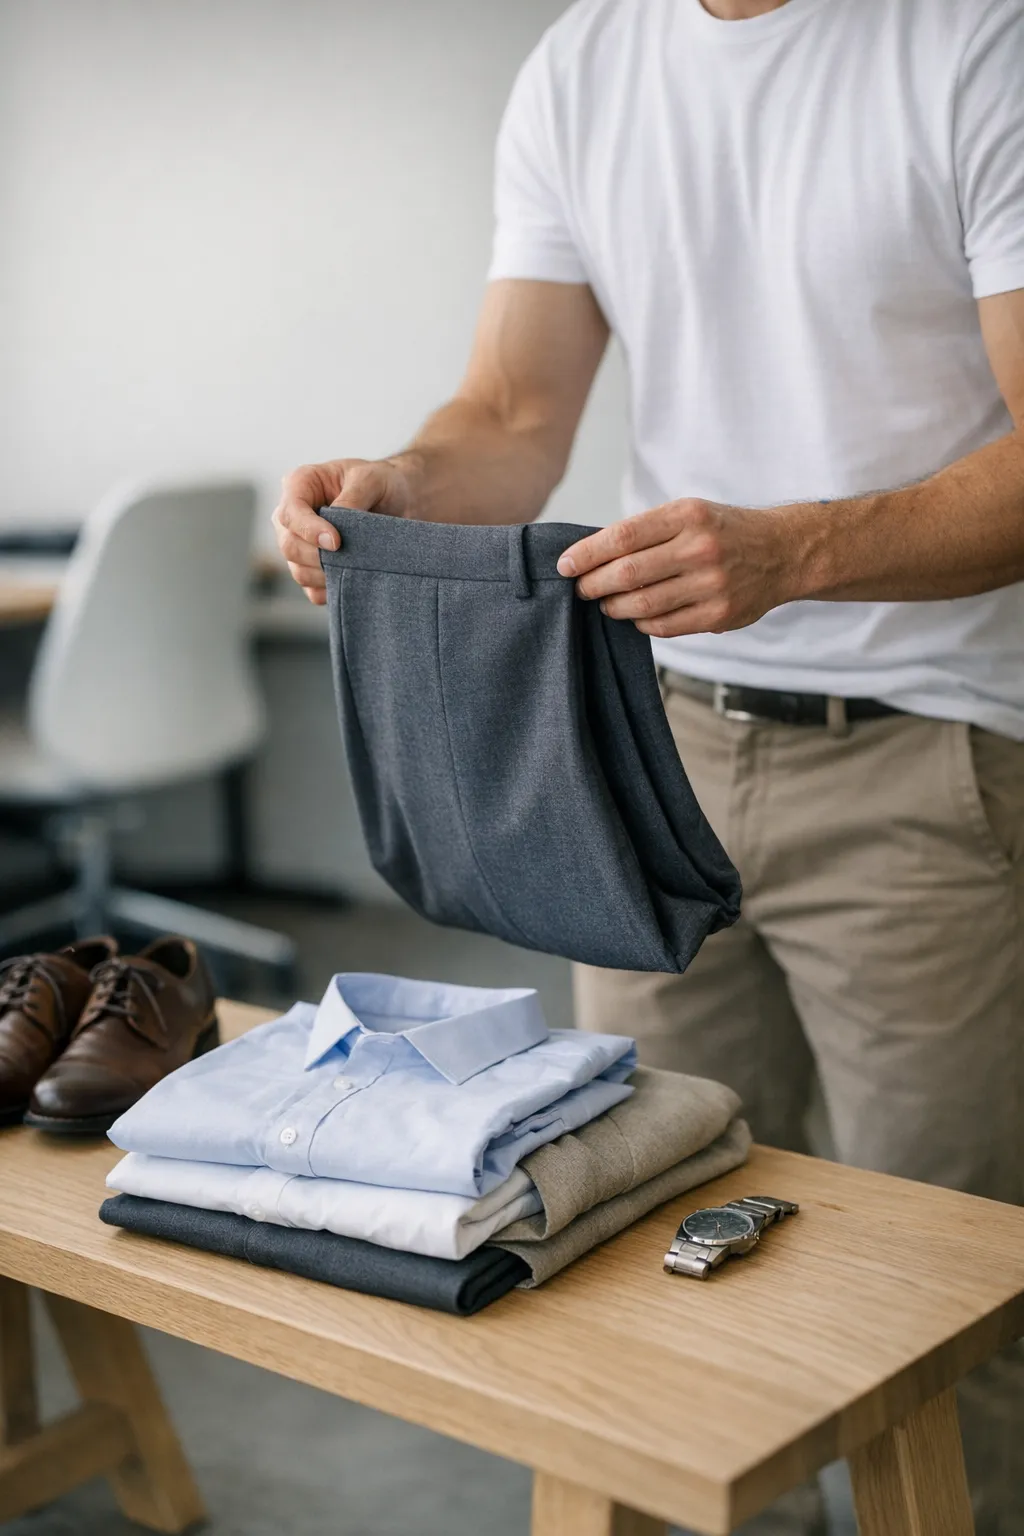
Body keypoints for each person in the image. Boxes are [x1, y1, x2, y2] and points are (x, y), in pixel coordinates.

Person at [273, 0, 1024, 1529]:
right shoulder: (585, 62)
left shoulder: (974, 41)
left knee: (943, 1292)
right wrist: (403, 488)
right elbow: (513, 412)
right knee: (652, 1245)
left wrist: (799, 548)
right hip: (649, 747)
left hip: (925, 759)